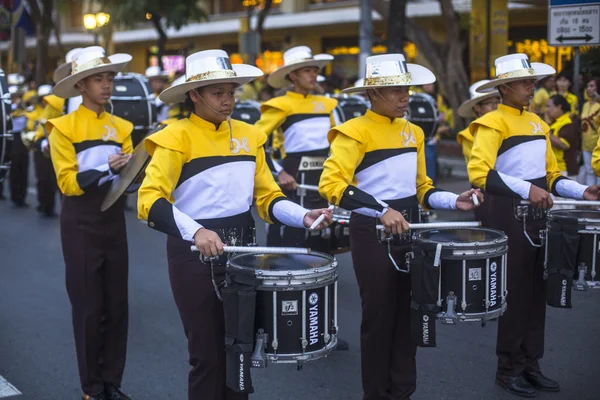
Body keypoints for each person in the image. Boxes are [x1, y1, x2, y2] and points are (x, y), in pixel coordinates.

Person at [137, 49, 332, 400]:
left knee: (240, 349)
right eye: (217, 93)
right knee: (207, 357)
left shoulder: (250, 135)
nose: (227, 101)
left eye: (231, 92)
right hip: (193, 253)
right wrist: (196, 230)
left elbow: (268, 197)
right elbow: (149, 200)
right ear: (194, 94)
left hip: (243, 254)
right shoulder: (173, 136)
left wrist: (302, 215)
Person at [319, 53, 483, 400]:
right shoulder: (352, 131)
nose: (404, 96)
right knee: (379, 318)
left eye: (406, 88)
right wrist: (381, 210)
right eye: (394, 89)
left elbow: (422, 188)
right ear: (372, 94)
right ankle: (376, 394)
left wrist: (455, 202)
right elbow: (332, 185)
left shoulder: (414, 132)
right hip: (372, 231)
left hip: (411, 229)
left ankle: (403, 391)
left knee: (411, 314)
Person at [468, 53, 600, 398]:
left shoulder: (540, 124)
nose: (532, 88)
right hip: (509, 215)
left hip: (539, 216)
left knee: (538, 291)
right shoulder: (492, 122)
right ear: (506, 86)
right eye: (526, 83)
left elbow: (552, 175)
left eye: (533, 82)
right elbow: (480, 173)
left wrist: (582, 189)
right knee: (515, 292)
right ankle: (507, 367)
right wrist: (529, 189)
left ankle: (530, 363)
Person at [48, 46, 134, 400]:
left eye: (110, 78)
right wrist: (105, 169)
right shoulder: (61, 128)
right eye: (99, 79)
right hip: (80, 221)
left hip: (113, 219)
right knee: (88, 307)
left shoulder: (123, 127)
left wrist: (136, 172)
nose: (107, 85)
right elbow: (67, 184)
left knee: (117, 307)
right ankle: (91, 389)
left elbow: (126, 181)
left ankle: (112, 383)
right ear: (81, 85)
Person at [254, 46, 337, 250]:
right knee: (289, 236)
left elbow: (338, 143)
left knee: (323, 238)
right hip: (293, 176)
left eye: (315, 70)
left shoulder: (329, 104)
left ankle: (321, 279)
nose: (313, 75)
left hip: (323, 176)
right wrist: (278, 171)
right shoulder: (280, 104)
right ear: (293, 75)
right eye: (307, 70)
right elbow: (254, 141)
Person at [29, 84, 61, 217]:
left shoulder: (56, 109)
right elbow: (33, 129)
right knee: (42, 179)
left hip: (55, 147)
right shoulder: (36, 111)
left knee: (55, 180)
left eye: (47, 98)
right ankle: (43, 205)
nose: (45, 101)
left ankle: (52, 207)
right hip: (41, 146)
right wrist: (42, 143)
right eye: (43, 98)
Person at [456, 80, 501, 165]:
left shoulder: (505, 125)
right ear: (477, 107)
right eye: (490, 103)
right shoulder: (468, 135)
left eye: (498, 101)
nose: (496, 106)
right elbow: (478, 168)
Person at [8, 74, 29, 208]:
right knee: (15, 168)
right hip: (13, 137)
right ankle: (15, 196)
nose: (18, 98)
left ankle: (22, 196)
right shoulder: (9, 108)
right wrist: (15, 106)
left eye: (19, 95)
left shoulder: (25, 107)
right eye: (16, 96)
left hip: (24, 137)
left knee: (24, 168)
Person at [546, 94, 580, 179]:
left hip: (565, 171)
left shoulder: (568, 123)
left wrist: (545, 132)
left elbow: (563, 145)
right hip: (555, 169)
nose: (547, 110)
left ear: (559, 107)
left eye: (549, 106)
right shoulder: (555, 122)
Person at [580, 77, 600, 185]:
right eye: (588, 86)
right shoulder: (585, 105)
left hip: (597, 143)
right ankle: (590, 197)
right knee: (589, 171)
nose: (589, 89)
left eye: (592, 86)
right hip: (586, 143)